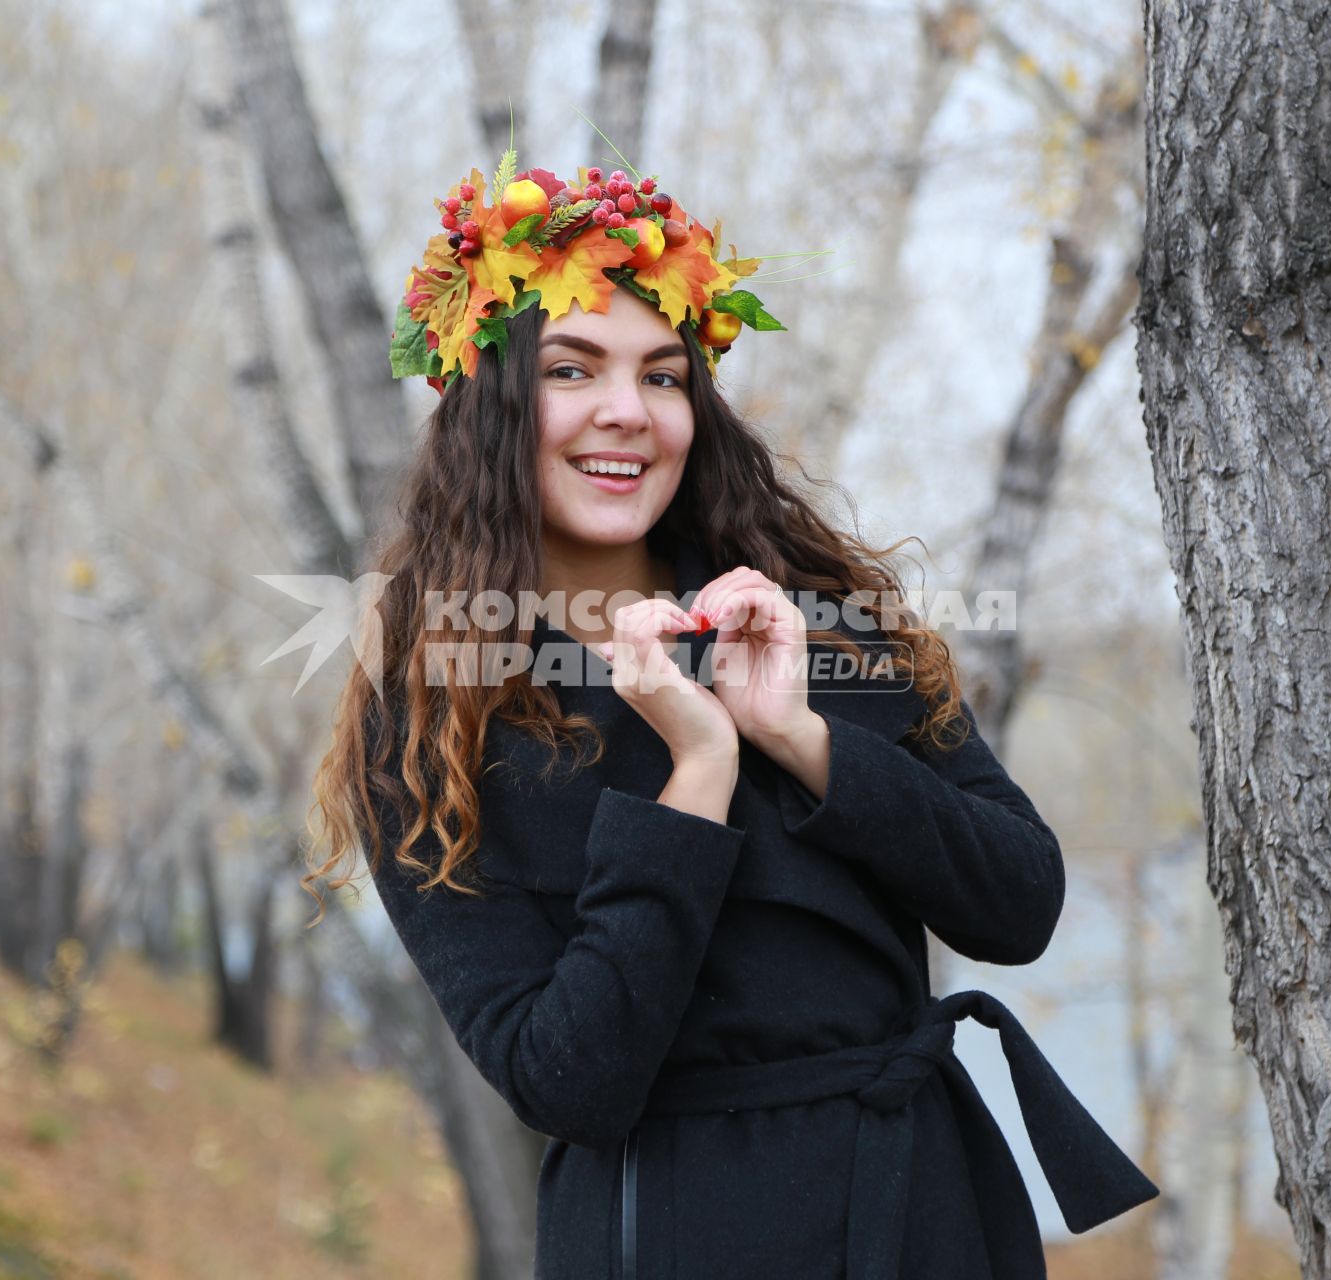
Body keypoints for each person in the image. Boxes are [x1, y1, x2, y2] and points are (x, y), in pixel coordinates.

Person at [304, 155, 1157, 1279]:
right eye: (574, 369)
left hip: (919, 1209)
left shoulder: (812, 619)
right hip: (674, 1232)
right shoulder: (432, 720)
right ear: (491, 404)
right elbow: (567, 1081)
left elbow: (1019, 900)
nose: (629, 412)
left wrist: (803, 738)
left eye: (665, 376)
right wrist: (696, 770)